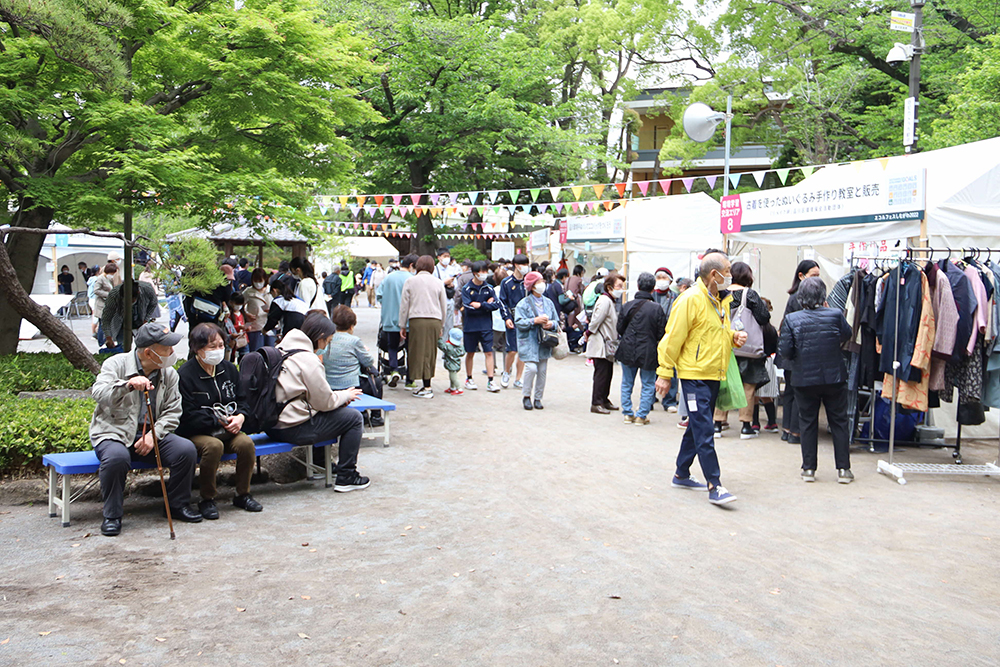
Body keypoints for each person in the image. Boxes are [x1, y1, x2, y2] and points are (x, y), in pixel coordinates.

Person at [90, 323, 202, 536]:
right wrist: (128, 385)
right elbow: (99, 393)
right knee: (116, 458)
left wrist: (153, 435)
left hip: (151, 434)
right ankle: (112, 515)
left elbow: (173, 411)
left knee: (185, 450)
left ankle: (177, 505)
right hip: (114, 433)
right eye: (167, 348)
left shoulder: (169, 374)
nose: (172, 352)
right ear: (149, 352)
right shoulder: (116, 364)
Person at [654, 251, 748, 506]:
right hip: (694, 376)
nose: (731, 275)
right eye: (727, 271)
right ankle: (714, 484)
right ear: (714, 274)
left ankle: (681, 473)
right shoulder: (690, 300)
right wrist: (664, 373)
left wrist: (733, 338)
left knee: (697, 427)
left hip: (714, 374)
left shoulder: (721, 300)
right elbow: (671, 339)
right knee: (705, 428)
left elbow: (718, 332)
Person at [266, 312, 370, 492]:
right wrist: (345, 395)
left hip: (271, 425)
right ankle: (347, 475)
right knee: (353, 418)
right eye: (328, 342)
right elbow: (325, 402)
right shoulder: (308, 359)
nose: (326, 346)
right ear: (320, 338)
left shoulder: (280, 348)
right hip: (292, 428)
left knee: (330, 415)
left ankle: (321, 463)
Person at [176, 323, 262, 519]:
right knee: (213, 447)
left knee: (246, 443)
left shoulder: (229, 369)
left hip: (229, 429)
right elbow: (187, 415)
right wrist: (218, 421)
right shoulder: (185, 375)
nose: (218, 351)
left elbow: (243, 401)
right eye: (211, 346)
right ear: (197, 349)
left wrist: (240, 417)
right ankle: (207, 499)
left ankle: (243, 494)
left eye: (221, 345)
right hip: (199, 432)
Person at [777, 277, 854, 483]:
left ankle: (809, 469)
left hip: (804, 378)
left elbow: (785, 351)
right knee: (839, 421)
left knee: (807, 422)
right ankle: (844, 470)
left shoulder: (792, 320)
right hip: (834, 377)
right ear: (823, 296)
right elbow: (848, 334)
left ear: (801, 297)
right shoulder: (836, 314)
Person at [712, 261, 771, 440]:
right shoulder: (750, 294)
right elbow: (764, 317)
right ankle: (746, 426)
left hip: (724, 347)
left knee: (723, 385)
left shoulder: (720, 293)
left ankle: (717, 424)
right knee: (748, 387)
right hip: (747, 348)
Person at [616, 272, 668, 426]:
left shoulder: (627, 306)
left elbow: (620, 329)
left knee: (626, 382)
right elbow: (662, 332)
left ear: (638, 286)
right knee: (648, 383)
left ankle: (627, 413)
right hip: (648, 350)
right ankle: (641, 415)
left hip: (627, 347)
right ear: (653, 288)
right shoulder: (657, 308)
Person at [779, 259, 821, 444]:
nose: (818, 280)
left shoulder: (794, 295)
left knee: (790, 392)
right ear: (801, 276)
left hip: (789, 352)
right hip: (797, 353)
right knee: (797, 393)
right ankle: (795, 432)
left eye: (819, 276)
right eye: (814, 276)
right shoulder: (801, 297)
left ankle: (788, 429)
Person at [400, 255, 448, 398]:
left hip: (417, 319)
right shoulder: (438, 282)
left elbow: (404, 305)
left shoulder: (410, 281)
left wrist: (402, 324)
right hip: (434, 320)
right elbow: (443, 306)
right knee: (430, 352)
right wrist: (442, 324)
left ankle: (419, 382)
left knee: (416, 351)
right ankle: (427, 384)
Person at [514, 271, 559, 410]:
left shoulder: (549, 302)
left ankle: (538, 398)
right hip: (529, 341)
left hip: (544, 341)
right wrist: (534, 321)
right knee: (531, 368)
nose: (542, 284)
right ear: (532, 286)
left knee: (542, 370)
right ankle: (526, 396)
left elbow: (557, 321)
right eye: (539, 282)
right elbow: (519, 322)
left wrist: (551, 324)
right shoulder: (523, 304)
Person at [585, 274, 623, 414]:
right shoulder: (604, 301)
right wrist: (588, 333)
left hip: (608, 344)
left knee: (608, 373)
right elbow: (595, 320)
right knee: (601, 373)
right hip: (601, 343)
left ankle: (604, 399)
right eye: (619, 286)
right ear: (609, 287)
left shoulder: (610, 301)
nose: (621, 289)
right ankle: (596, 402)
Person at [460, 260, 501, 392]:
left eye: (485, 271)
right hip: (470, 326)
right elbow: (468, 307)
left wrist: (480, 305)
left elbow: (496, 305)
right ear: (474, 273)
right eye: (481, 272)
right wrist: (486, 304)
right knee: (470, 353)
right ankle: (469, 378)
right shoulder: (466, 289)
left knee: (488, 352)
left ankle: (491, 380)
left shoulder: (489, 288)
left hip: (486, 325)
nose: (484, 274)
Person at [377, 254, 415, 387]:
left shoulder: (388, 278)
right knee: (410, 349)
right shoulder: (412, 279)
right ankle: (410, 379)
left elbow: (379, 295)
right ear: (411, 266)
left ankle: (394, 370)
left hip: (390, 319)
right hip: (409, 321)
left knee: (392, 347)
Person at [324, 305, 375, 390]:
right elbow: (368, 361)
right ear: (351, 326)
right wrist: (364, 350)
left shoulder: (328, 338)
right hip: (351, 385)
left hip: (329, 384)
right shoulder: (355, 341)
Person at [498, 254, 531, 389]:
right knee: (512, 349)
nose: (525, 267)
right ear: (517, 265)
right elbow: (502, 302)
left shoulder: (528, 283)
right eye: (523, 265)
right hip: (512, 318)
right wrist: (506, 318)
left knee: (523, 350)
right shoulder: (506, 283)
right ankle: (506, 371)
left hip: (526, 320)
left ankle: (518, 378)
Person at [101, 280, 159, 351]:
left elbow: (153, 304)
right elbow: (106, 317)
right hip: (121, 323)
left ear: (138, 293)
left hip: (140, 321)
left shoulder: (147, 289)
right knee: (123, 347)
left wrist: (145, 319)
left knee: (145, 346)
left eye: (132, 300)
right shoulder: (114, 294)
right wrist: (108, 337)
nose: (129, 303)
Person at [262, 274, 308, 340]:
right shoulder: (295, 299)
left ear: (274, 290)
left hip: (293, 324)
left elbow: (273, 319)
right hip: (305, 322)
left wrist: (265, 329)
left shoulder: (279, 300)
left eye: (271, 294)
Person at [242, 267, 272, 351]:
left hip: (270, 325)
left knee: (270, 352)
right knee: (256, 351)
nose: (258, 283)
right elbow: (239, 305)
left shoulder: (271, 290)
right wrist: (246, 314)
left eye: (260, 281)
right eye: (256, 281)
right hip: (255, 326)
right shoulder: (248, 292)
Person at [434, 249, 462, 332]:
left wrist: (452, 285)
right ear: (439, 257)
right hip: (439, 302)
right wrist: (444, 283)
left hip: (450, 300)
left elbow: (457, 285)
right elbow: (433, 285)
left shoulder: (451, 269)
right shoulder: (435, 270)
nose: (447, 258)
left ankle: (447, 342)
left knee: (449, 325)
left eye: (448, 256)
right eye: (445, 256)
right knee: (440, 325)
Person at [438, 327, 465, 395]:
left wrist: (439, 338)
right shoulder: (460, 348)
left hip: (451, 365)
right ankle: (452, 388)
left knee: (453, 377)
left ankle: (459, 389)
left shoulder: (448, 347)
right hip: (457, 364)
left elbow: (441, 345)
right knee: (453, 375)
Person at [224, 292, 249, 363]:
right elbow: (229, 326)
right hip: (234, 339)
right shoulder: (229, 315)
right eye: (237, 304)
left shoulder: (242, 313)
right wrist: (239, 327)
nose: (239, 306)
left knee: (245, 356)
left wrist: (246, 327)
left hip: (243, 338)